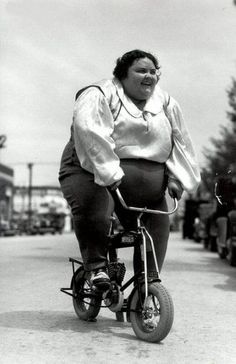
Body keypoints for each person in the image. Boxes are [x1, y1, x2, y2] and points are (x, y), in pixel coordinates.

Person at [59, 49, 200, 290]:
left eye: (153, 72)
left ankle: (148, 282)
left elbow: (181, 141)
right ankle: (96, 269)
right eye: (141, 71)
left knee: (157, 226)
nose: (149, 76)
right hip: (91, 171)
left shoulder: (166, 102)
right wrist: (110, 173)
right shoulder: (100, 93)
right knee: (97, 210)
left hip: (147, 189)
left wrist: (178, 177)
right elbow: (90, 134)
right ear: (123, 74)